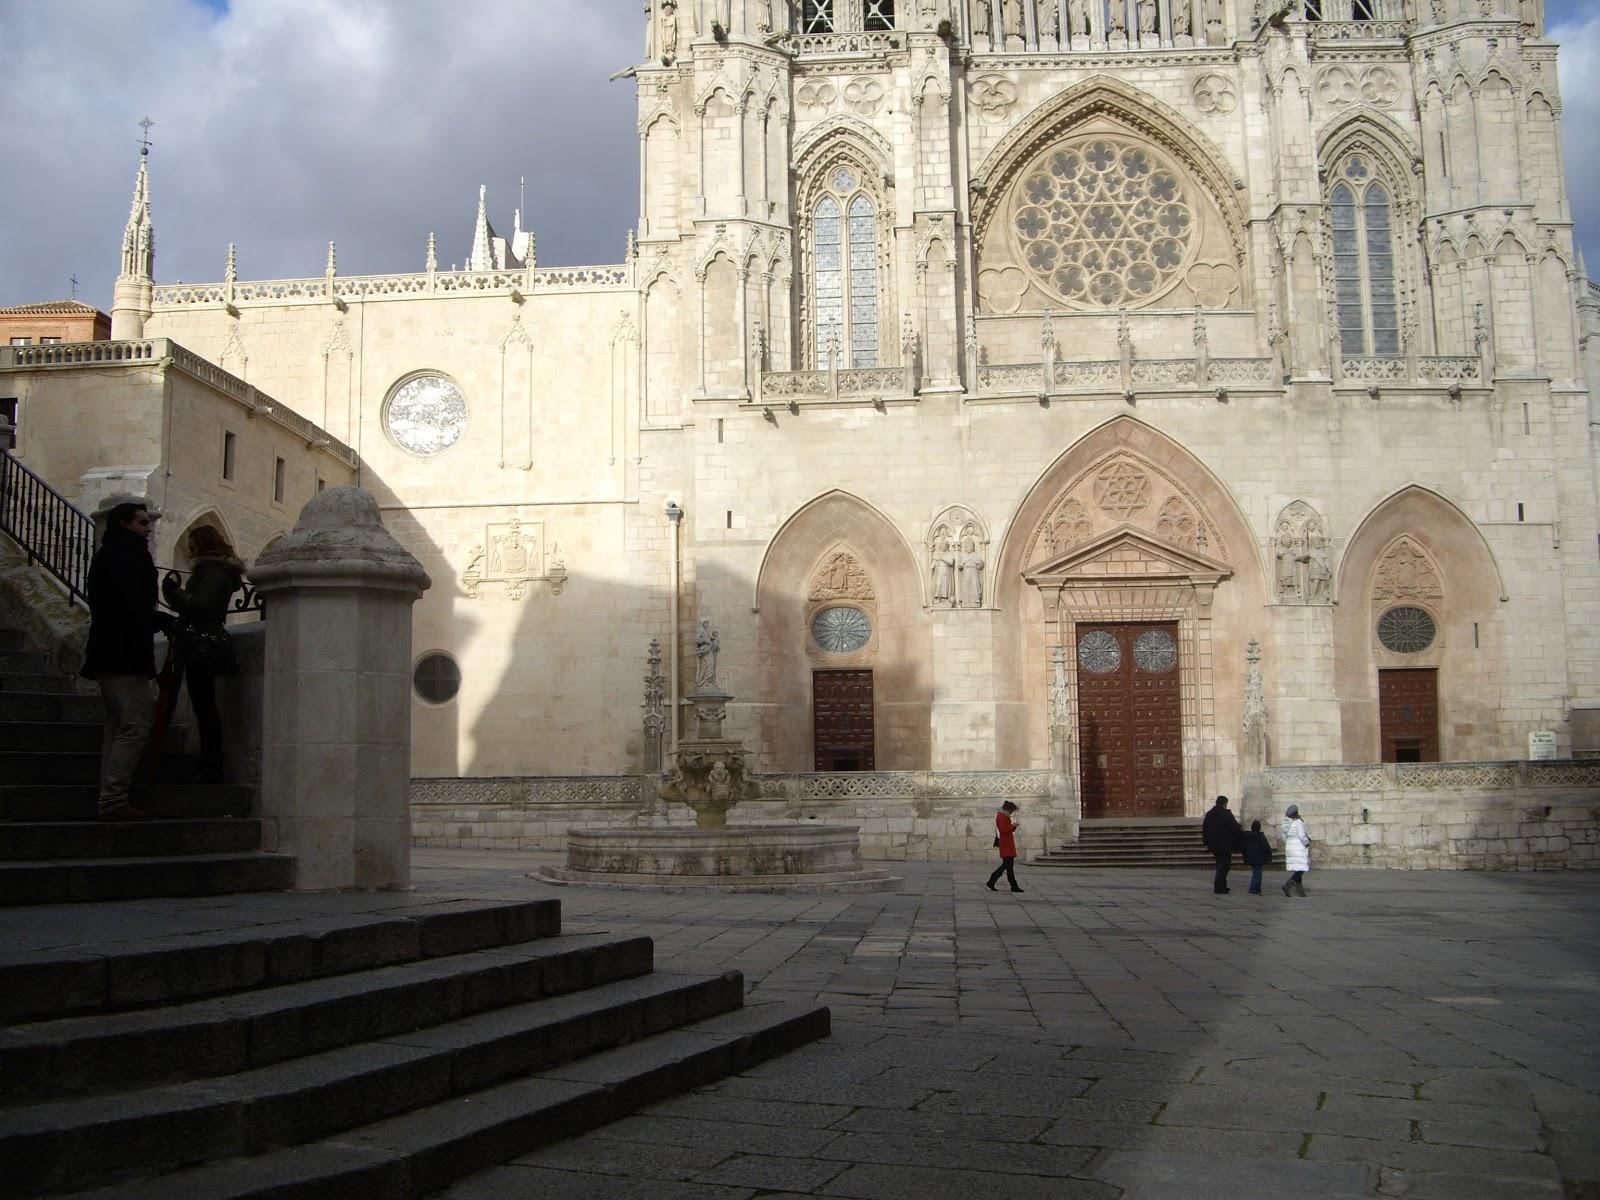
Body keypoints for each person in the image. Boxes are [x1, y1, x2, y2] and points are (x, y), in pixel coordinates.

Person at [80, 502, 162, 818]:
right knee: (134, 727)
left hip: (111, 652)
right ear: (126, 524)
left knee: (117, 728)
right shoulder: (126, 556)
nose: (148, 527)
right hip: (124, 655)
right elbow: (129, 606)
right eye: (142, 522)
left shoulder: (110, 554)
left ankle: (110, 797)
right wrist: (157, 622)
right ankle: (113, 799)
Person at [161, 527, 245, 784]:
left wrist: (174, 593)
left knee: (204, 705)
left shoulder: (213, 573)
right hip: (200, 643)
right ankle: (208, 762)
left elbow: (200, 606)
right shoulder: (216, 572)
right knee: (203, 704)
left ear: (201, 544)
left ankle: (211, 764)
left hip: (200, 645)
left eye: (192, 544)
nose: (189, 549)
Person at [1200, 794, 1241, 894]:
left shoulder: (1209, 814)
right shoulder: (1226, 814)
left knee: (1220, 864)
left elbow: (1205, 829)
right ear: (1225, 803)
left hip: (1213, 844)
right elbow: (1235, 827)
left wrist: (1206, 842)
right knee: (1224, 865)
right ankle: (1219, 886)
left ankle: (1222, 885)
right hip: (1225, 845)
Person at [985, 800, 1024, 893]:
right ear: (1007, 810)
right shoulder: (1002, 817)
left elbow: (1005, 829)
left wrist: (1012, 827)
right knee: (1006, 865)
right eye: (1011, 811)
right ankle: (991, 882)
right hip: (1006, 843)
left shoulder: (1003, 816)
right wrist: (1012, 825)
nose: (1011, 813)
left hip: (1007, 842)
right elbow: (1003, 830)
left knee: (1009, 867)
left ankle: (1014, 886)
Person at [1281, 805, 1311, 896]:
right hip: (1298, 848)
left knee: (1298, 868)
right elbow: (1302, 836)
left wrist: (1290, 843)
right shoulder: (1298, 822)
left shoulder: (1285, 824)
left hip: (1290, 847)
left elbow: (1283, 837)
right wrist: (1307, 842)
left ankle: (1300, 892)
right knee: (1301, 868)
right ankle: (1288, 885)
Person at [1240, 818, 1273, 895]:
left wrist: (1245, 855)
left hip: (1250, 857)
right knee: (1257, 873)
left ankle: (1258, 889)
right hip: (1259, 858)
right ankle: (1253, 889)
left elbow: (1243, 847)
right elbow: (1266, 846)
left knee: (1257, 872)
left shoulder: (1247, 836)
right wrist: (1268, 856)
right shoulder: (1260, 836)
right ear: (1259, 828)